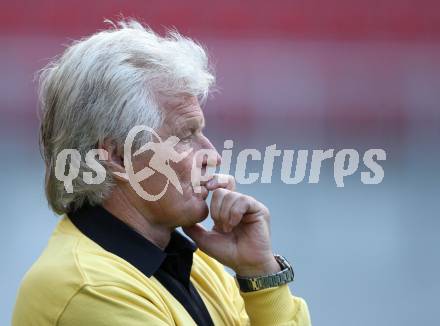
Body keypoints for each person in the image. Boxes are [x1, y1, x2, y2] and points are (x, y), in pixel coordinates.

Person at [12, 20, 311, 326]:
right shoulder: (90, 288)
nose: (212, 156)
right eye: (185, 135)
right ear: (117, 156)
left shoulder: (194, 263)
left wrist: (259, 273)